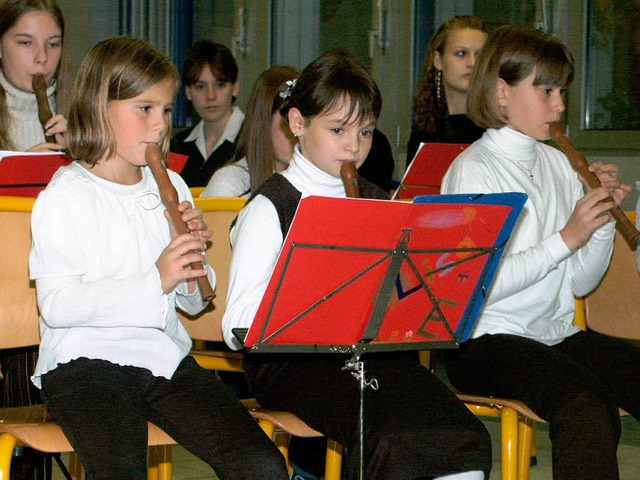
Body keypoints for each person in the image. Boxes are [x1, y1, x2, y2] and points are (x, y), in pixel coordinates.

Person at [223, 48, 491, 480]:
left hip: (372, 355)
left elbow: (406, 297)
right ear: (297, 123)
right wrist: (317, 297)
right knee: (388, 435)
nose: (354, 146)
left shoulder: (377, 198)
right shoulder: (269, 206)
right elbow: (235, 325)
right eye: (338, 130)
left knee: (461, 434)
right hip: (293, 364)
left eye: (365, 133)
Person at [28, 36, 288, 480]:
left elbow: (191, 304)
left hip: (161, 356)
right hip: (82, 361)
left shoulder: (172, 187)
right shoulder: (64, 195)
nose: (159, 125)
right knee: (120, 469)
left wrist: (190, 267)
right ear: (98, 106)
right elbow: (57, 304)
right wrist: (157, 278)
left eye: (166, 110)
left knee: (260, 463)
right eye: (144, 109)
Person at [441, 25, 640, 480]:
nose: (560, 105)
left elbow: (579, 284)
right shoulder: (473, 171)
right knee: (584, 401)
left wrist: (602, 224)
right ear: (501, 91)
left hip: (553, 334)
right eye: (546, 90)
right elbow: (478, 288)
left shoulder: (559, 164)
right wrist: (568, 237)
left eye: (562, 91)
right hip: (484, 342)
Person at [201, 65, 299, 198]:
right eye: (289, 122)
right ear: (264, 122)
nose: (298, 133)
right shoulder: (227, 185)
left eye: (305, 123)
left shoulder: (315, 183)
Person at [407, 15, 488, 167]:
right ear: (438, 60)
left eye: (480, 55)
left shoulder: (499, 128)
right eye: (461, 53)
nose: (472, 63)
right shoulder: (425, 129)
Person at [171, 39, 244, 187]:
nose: (210, 96)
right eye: (200, 87)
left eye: (220, 85)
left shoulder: (255, 139)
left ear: (235, 87)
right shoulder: (176, 146)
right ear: (188, 92)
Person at [0, 0, 68, 152]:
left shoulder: (85, 117)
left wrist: (82, 154)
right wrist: (23, 168)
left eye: (53, 44)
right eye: (25, 43)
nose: (42, 57)